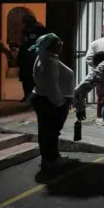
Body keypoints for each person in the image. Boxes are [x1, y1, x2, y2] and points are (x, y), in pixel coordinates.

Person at [29, 33, 77, 172]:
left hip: (46, 99)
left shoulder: (47, 58)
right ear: (50, 46)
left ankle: (50, 158)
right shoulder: (48, 62)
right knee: (50, 131)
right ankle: (51, 159)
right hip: (50, 101)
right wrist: (60, 102)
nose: (61, 44)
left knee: (48, 131)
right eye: (58, 43)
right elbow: (51, 84)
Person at [17, 14, 47, 102]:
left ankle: (36, 95)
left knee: (36, 77)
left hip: (36, 55)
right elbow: (24, 42)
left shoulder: (40, 30)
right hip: (26, 56)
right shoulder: (25, 30)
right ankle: (27, 95)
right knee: (25, 77)